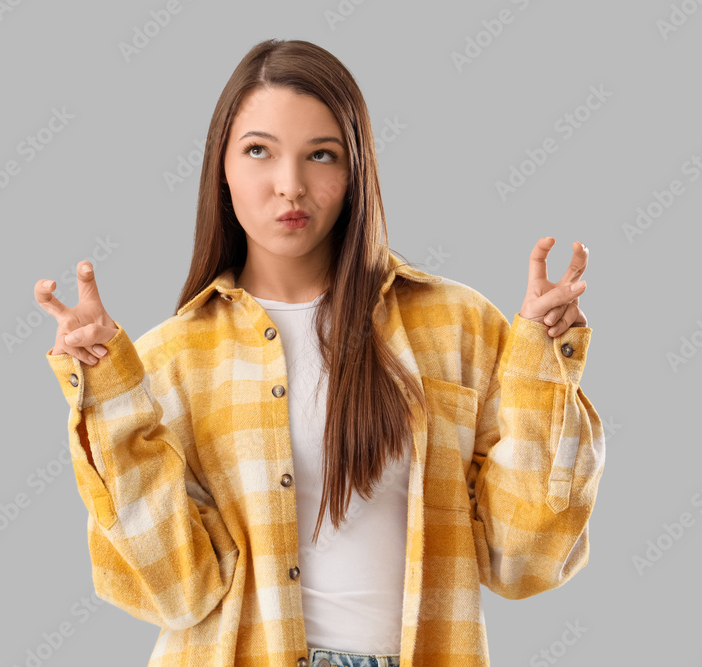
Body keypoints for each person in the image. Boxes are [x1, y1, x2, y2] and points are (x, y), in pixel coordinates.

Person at [35, 38, 604, 667]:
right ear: (220, 170)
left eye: (322, 155)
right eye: (259, 151)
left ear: (356, 169)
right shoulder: (172, 358)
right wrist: (109, 391)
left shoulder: (457, 326)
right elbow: (174, 593)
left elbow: (526, 560)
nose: (291, 186)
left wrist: (543, 364)